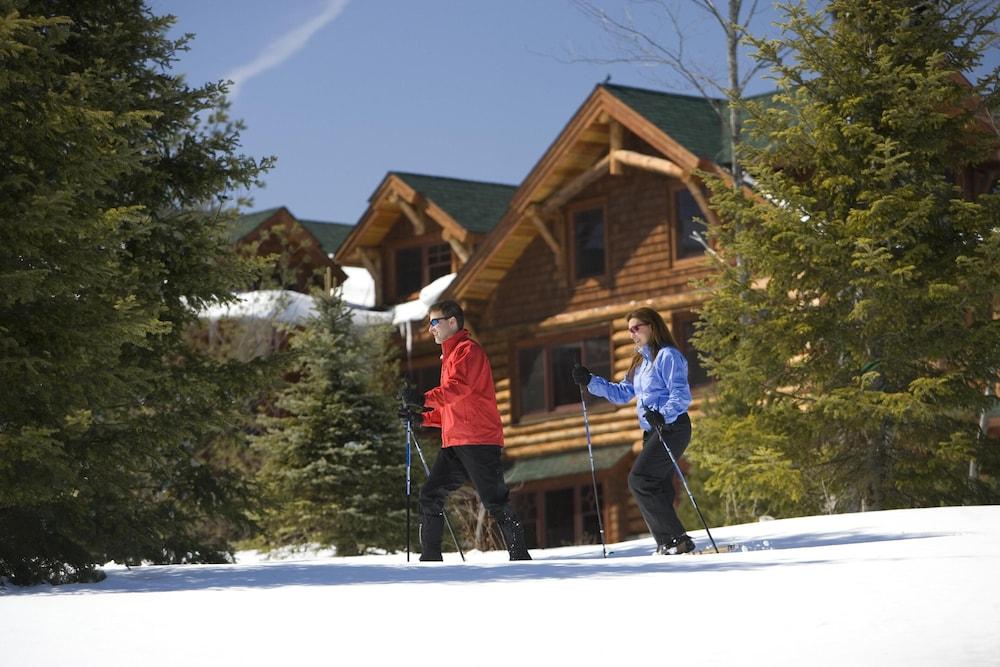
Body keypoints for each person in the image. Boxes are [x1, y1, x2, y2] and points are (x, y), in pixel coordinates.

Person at [401, 299, 532, 562]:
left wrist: (423, 399)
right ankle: (430, 559)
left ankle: (520, 557)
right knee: (430, 495)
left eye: (434, 322)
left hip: (478, 440)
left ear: (452, 322)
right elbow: (452, 407)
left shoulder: (468, 352)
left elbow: (456, 389)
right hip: (455, 442)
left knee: (494, 500)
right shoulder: (449, 357)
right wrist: (421, 419)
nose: (430, 329)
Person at [572, 307, 695, 555]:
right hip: (654, 430)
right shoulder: (640, 362)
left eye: (636, 328)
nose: (632, 335)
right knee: (658, 486)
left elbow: (681, 395)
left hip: (673, 426)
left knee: (639, 479)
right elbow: (622, 392)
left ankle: (674, 540)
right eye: (629, 330)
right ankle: (672, 543)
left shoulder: (668, 356)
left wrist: (663, 413)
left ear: (652, 326)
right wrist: (590, 381)